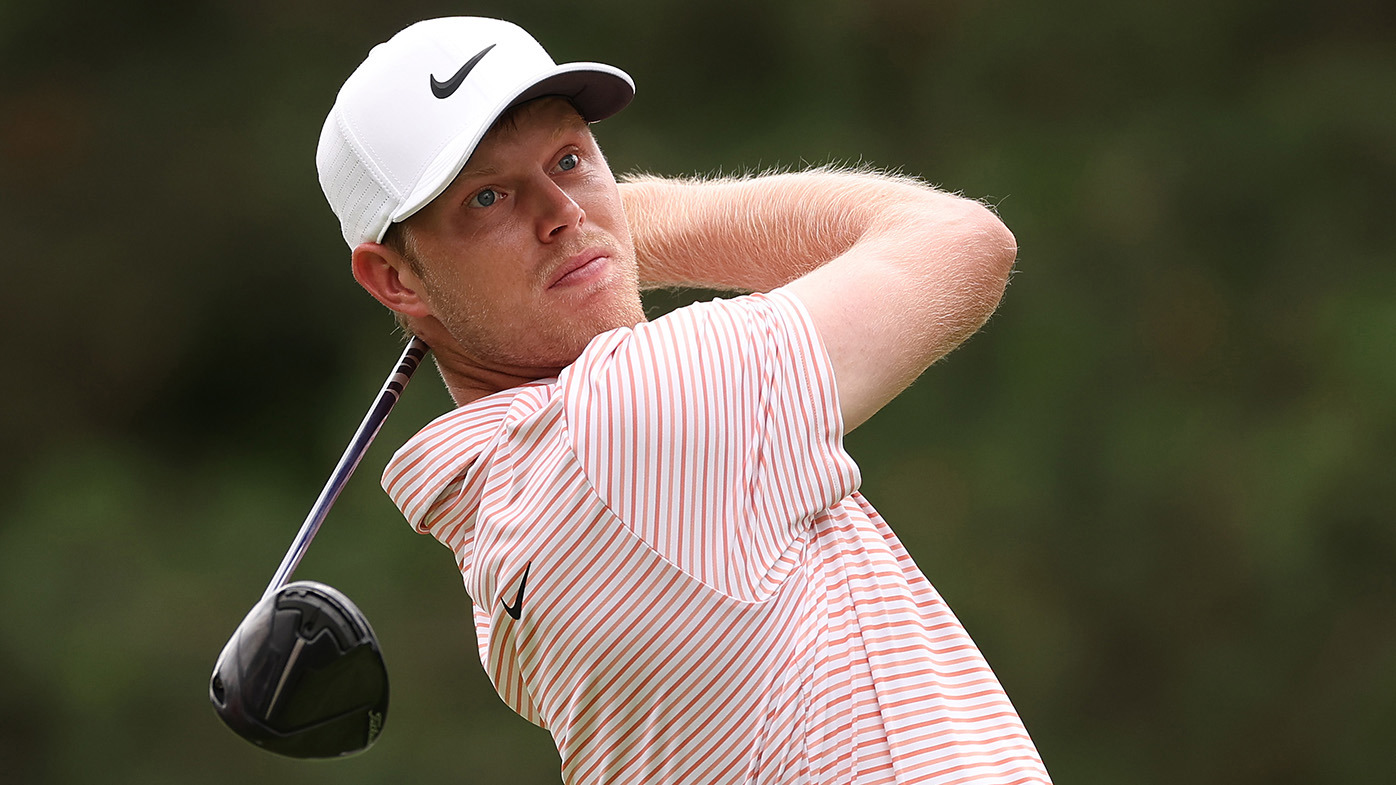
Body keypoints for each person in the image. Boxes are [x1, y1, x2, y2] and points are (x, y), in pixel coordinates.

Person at [317, 16, 1051, 785]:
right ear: (395, 279)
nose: (563, 211)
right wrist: (638, 223)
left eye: (569, 158)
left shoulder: (502, 529)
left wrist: (581, 244)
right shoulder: (631, 413)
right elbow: (962, 242)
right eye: (489, 197)